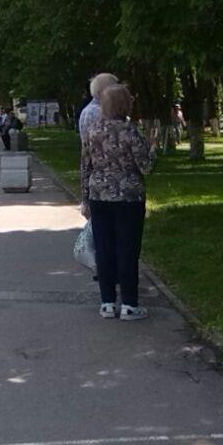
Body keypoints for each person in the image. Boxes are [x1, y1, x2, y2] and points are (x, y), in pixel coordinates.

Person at [81, 84, 155, 321]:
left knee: (104, 249)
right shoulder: (130, 131)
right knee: (127, 248)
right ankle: (130, 305)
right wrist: (153, 148)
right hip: (128, 197)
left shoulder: (93, 131)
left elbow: (85, 167)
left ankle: (107, 303)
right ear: (126, 104)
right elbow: (147, 166)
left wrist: (85, 198)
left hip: (98, 196)